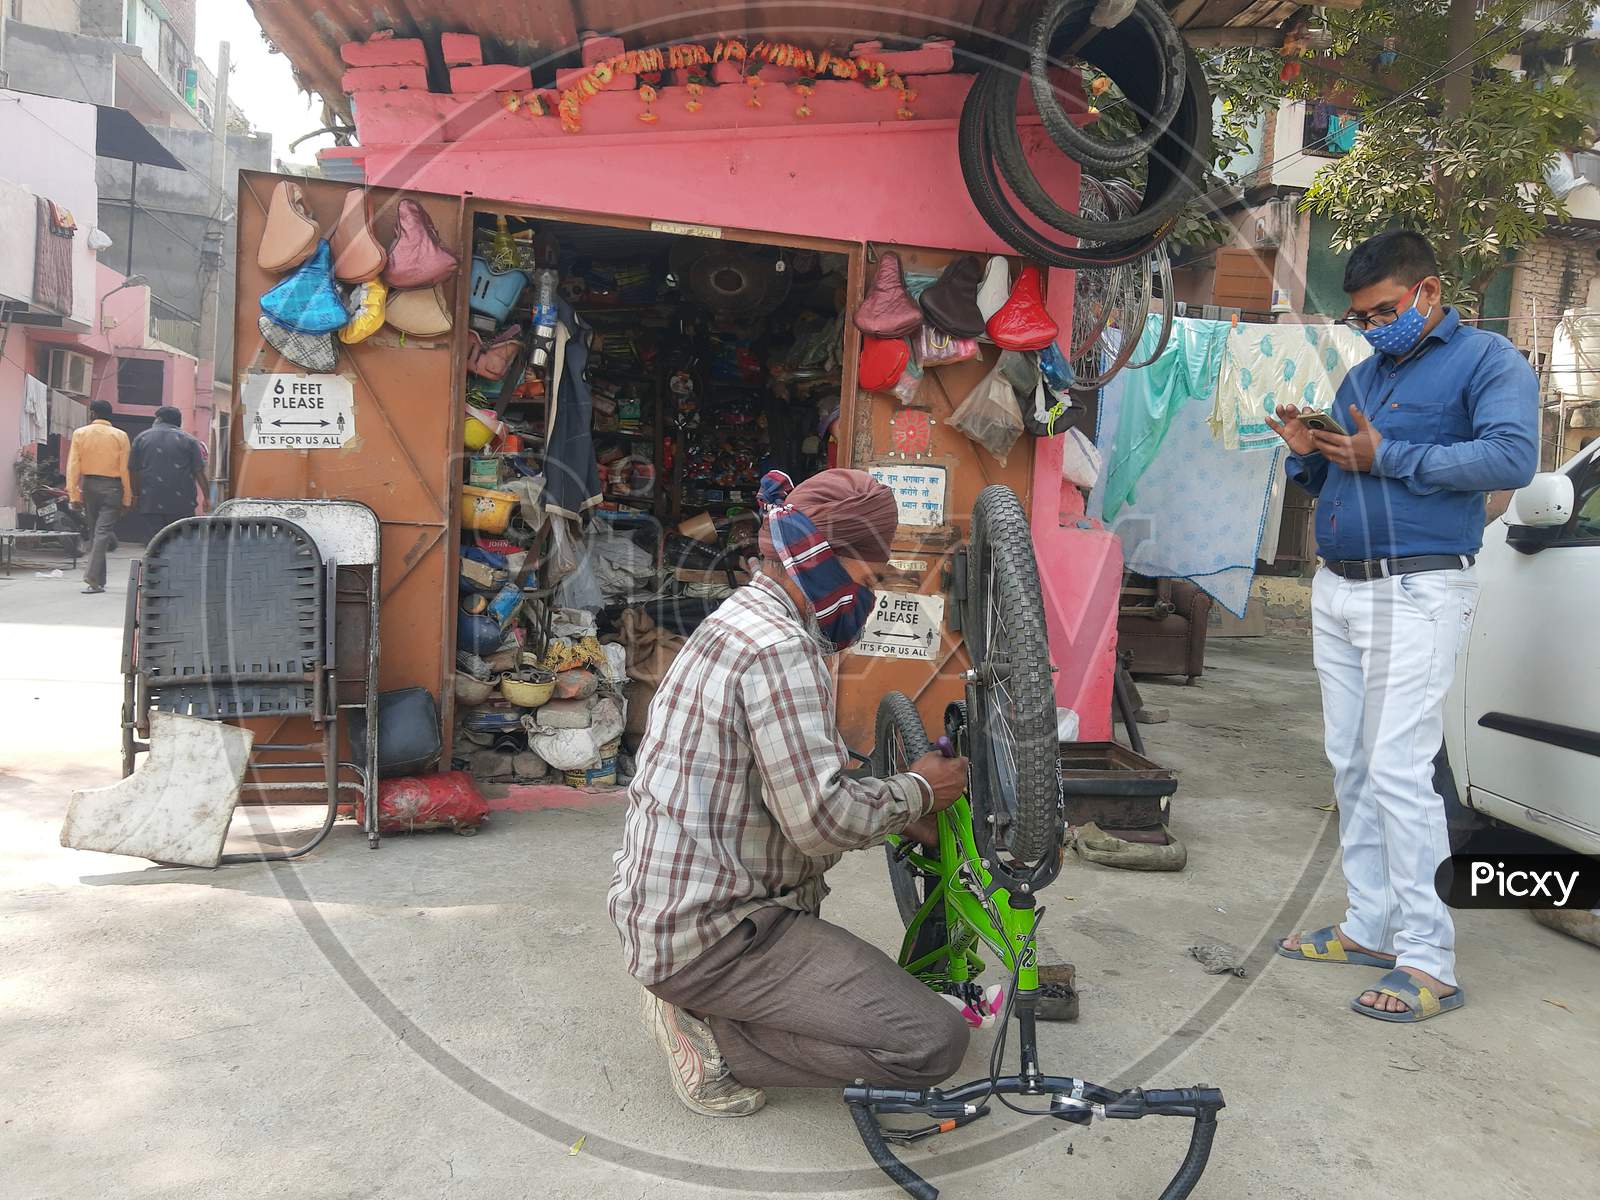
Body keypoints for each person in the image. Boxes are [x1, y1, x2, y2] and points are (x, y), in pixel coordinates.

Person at [608, 468, 971, 1117]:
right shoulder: (780, 650)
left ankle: (705, 1000)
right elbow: (821, 823)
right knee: (932, 1044)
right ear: (835, 561)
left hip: (678, 913)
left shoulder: (741, 618)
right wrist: (919, 790)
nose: (872, 592)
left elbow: (790, 785)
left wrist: (890, 807)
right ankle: (709, 1036)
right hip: (718, 936)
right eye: (871, 574)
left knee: (873, 1009)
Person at [1266, 231, 1537, 1023]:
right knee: (1349, 762)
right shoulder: (1365, 373)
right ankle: (1370, 925)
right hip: (1341, 589)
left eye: (1385, 309)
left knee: (1396, 769)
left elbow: (1512, 459)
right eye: (1361, 315)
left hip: (1417, 590)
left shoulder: (1490, 364)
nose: (1374, 325)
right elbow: (1345, 465)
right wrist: (1308, 452)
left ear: (1428, 291)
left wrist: (1388, 457)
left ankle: (1429, 959)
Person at [65, 399, 131, 595]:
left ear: (92, 414)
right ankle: (96, 579)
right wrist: (127, 498)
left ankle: (95, 580)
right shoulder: (121, 436)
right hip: (113, 487)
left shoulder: (80, 433)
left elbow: (73, 466)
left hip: (90, 486)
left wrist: (73, 494)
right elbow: (124, 469)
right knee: (101, 533)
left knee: (96, 533)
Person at [129, 406, 207, 539]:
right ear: (179, 422)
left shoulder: (141, 438)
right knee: (180, 540)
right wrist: (207, 497)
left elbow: (133, 470)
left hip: (151, 500)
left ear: (158, 419)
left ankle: (158, 558)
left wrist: (135, 495)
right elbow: (199, 471)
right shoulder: (190, 441)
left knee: (156, 540)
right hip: (182, 503)